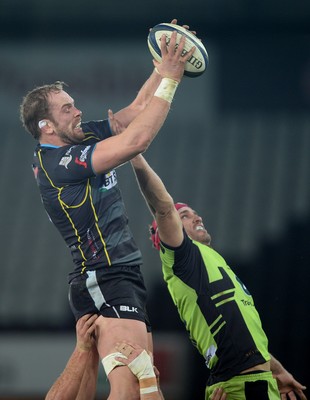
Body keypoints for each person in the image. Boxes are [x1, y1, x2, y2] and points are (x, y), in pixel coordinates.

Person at [19, 20, 197, 400]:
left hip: (118, 274)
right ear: (47, 126)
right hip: (104, 275)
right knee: (131, 384)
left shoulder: (77, 141)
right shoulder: (59, 162)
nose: (78, 111)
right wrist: (170, 80)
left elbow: (131, 114)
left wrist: (162, 65)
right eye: (68, 108)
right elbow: (137, 139)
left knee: (140, 384)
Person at [131, 154, 307, 400]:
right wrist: (136, 156)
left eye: (195, 213)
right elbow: (162, 206)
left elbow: (243, 335)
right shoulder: (183, 260)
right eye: (185, 216)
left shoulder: (208, 260)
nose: (197, 217)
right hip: (241, 385)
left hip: (256, 381)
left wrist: (276, 370)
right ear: (166, 233)